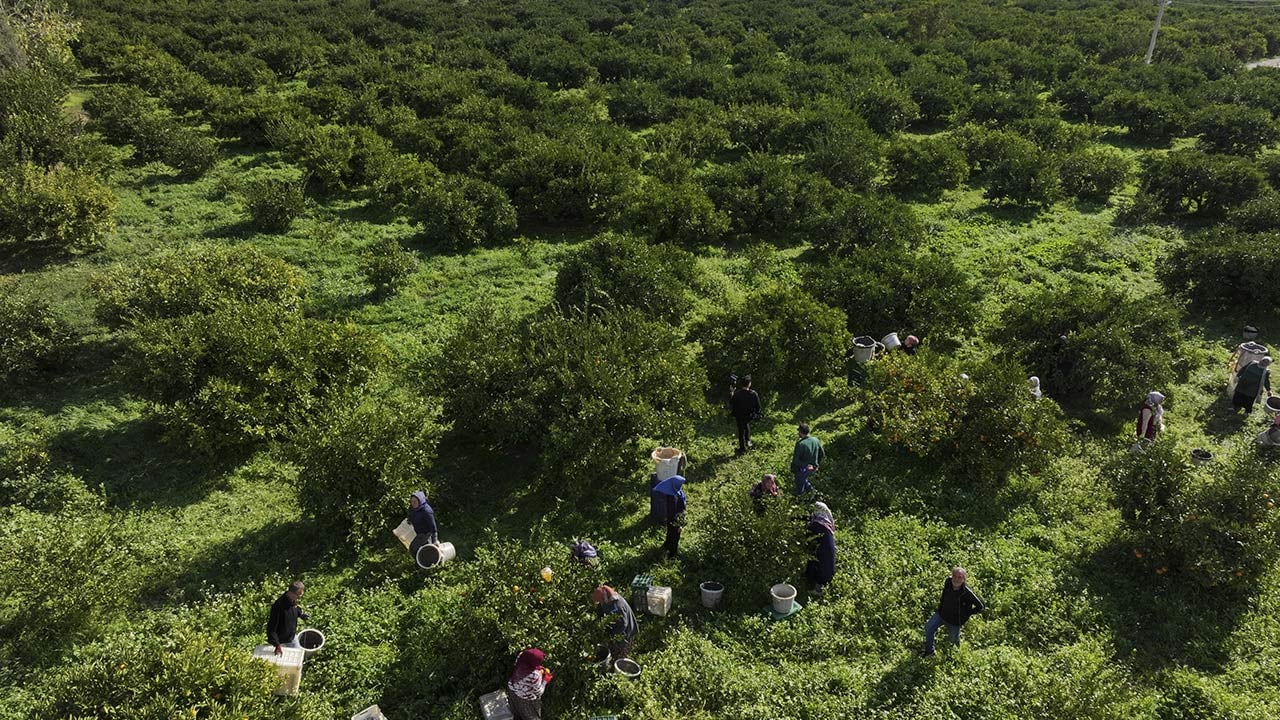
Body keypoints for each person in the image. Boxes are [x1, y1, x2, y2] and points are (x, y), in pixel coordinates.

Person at [921, 567, 985, 657]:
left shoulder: (966, 592)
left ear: (964, 579)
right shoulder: (948, 582)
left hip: (954, 621)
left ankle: (954, 659)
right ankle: (929, 652)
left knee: (954, 643)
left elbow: (980, 606)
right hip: (941, 615)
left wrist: (967, 614)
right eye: (954, 576)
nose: (956, 579)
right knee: (929, 627)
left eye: (960, 577)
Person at [591, 585, 638, 662]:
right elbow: (600, 611)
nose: (600, 603)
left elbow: (623, 625)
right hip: (615, 627)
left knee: (619, 655)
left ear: (604, 598)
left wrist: (611, 635)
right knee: (611, 647)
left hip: (626, 632)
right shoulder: (605, 598)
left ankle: (618, 664)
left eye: (600, 601)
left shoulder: (617, 606)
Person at [507, 648, 552, 720]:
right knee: (531, 716)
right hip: (525, 698)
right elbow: (538, 692)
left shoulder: (520, 657)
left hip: (512, 690)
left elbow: (527, 663)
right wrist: (545, 681)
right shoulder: (534, 675)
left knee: (517, 711)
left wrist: (537, 667)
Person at [267, 581, 309, 655]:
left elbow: (294, 609)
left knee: (298, 655)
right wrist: (277, 645)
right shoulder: (278, 606)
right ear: (291, 593)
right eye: (298, 595)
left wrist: (301, 614)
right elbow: (271, 628)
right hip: (281, 640)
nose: (299, 598)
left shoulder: (292, 600)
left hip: (291, 636)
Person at [651, 475, 687, 558]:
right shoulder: (676, 494)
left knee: (673, 535)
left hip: (675, 520)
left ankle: (671, 552)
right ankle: (669, 549)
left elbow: (674, 510)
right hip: (674, 519)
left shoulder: (673, 495)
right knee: (672, 535)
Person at [805, 502, 837, 597]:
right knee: (821, 559)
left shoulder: (816, 523)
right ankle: (813, 581)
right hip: (823, 540)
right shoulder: (826, 523)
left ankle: (817, 588)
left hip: (818, 537)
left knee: (817, 558)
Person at [729, 375, 763, 455]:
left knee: (741, 431)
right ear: (749, 384)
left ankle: (742, 448)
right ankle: (748, 441)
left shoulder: (737, 394)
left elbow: (732, 403)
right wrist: (757, 414)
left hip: (739, 415)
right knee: (746, 425)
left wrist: (732, 393)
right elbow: (758, 406)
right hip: (749, 415)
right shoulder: (754, 394)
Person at [791, 423, 825, 495]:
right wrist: (816, 464)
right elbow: (822, 454)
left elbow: (796, 461)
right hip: (813, 468)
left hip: (804, 469)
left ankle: (800, 500)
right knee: (804, 480)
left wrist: (805, 465)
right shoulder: (816, 440)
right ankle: (812, 494)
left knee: (799, 483)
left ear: (800, 432)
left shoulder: (800, 444)